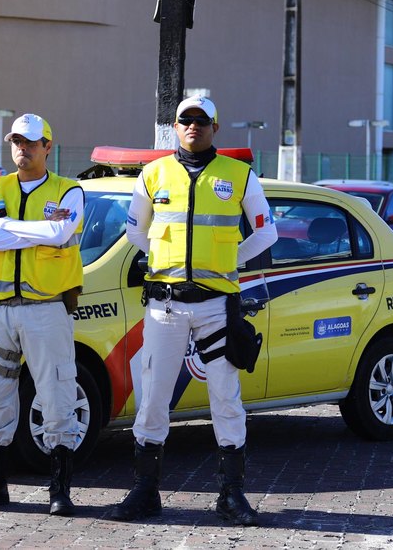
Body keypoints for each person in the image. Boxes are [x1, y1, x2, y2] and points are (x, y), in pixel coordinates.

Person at [109, 95, 277, 526]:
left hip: (216, 306)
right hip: (165, 304)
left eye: (202, 121)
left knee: (225, 396)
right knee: (153, 396)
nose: (193, 126)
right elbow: (134, 229)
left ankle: (232, 494)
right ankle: (146, 492)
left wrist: (230, 261)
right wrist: (165, 262)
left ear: (215, 128)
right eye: (186, 119)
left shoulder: (239, 175)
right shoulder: (153, 173)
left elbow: (266, 232)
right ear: (175, 126)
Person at [0, 114, 85, 516]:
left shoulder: (70, 190)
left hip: (46, 309)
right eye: (16, 141)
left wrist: (6, 226)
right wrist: (33, 228)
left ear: (48, 145)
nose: (22, 149)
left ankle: (60, 488)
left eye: (30, 142)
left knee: (57, 394)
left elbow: (61, 234)